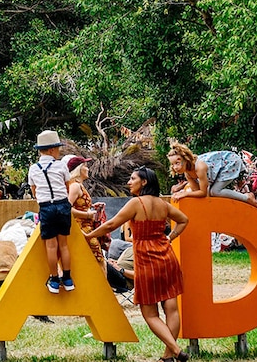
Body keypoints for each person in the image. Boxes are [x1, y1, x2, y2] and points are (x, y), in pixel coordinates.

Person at [86, 166, 189, 362]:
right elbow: (184, 220)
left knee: (150, 314)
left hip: (147, 260)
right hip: (167, 258)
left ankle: (175, 351)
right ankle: (168, 357)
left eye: (133, 179)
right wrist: (170, 238)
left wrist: (89, 236)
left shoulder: (136, 203)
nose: (129, 182)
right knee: (171, 309)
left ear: (144, 182)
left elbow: (110, 225)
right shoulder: (162, 204)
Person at [27, 130, 74, 294]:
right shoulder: (61, 165)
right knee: (64, 245)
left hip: (46, 207)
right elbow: (67, 186)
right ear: (53, 149)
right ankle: (68, 278)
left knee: (51, 246)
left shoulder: (33, 168)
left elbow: (34, 190)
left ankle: (54, 280)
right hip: (62, 205)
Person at [167, 142, 257, 209]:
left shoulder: (199, 167)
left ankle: (247, 197)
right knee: (211, 192)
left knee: (215, 192)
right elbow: (197, 192)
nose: (175, 167)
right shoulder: (188, 174)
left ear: (185, 159)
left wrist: (185, 193)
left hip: (230, 162)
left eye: (177, 163)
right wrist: (183, 194)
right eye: (173, 164)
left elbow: (202, 192)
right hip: (221, 168)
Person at [63, 155, 105, 274]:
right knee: (97, 259)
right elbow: (67, 208)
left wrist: (91, 208)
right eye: (85, 166)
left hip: (86, 228)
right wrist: (88, 215)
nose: (88, 169)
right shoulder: (75, 186)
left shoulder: (77, 185)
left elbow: (77, 205)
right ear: (79, 169)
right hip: (82, 229)